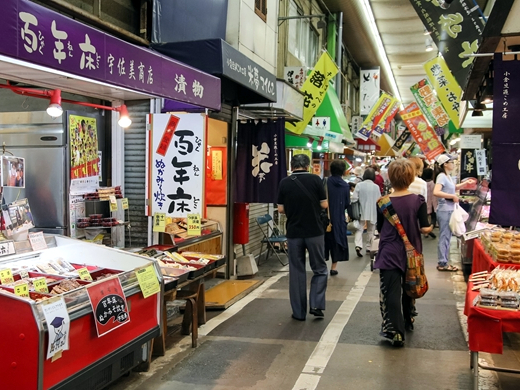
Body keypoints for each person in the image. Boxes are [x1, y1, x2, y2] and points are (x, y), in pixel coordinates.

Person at [374, 159, 432, 347]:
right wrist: (429, 227)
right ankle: (408, 319)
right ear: (410, 177)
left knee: (391, 291)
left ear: (390, 178)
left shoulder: (383, 203)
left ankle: (396, 332)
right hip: (411, 251)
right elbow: (424, 228)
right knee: (409, 287)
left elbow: (380, 228)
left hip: (389, 250)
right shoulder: (418, 200)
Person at [277, 154, 329, 320]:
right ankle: (316, 304)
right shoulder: (316, 180)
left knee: (297, 271)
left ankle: (299, 313)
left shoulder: (284, 182)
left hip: (294, 233)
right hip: (315, 232)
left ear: (292, 165)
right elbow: (324, 204)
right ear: (307, 165)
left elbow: (280, 209)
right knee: (319, 268)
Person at [433, 154, 476, 272]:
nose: (453, 163)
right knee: (445, 236)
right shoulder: (441, 176)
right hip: (445, 210)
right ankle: (442, 262)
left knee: (446, 236)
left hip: (448, 210)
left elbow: (453, 187)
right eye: (451, 162)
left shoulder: (447, 176)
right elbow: (436, 192)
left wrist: (465, 184)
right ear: (445, 164)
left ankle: (444, 261)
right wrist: (452, 196)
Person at [325, 159, 352, 276]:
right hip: (339, 218)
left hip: (325, 218)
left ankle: (321, 265)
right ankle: (333, 267)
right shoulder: (346, 186)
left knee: (324, 241)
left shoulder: (325, 182)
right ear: (343, 171)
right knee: (336, 242)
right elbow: (347, 203)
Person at [352, 168, 381, 257]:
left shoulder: (359, 185)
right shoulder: (376, 187)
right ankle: (369, 247)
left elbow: (354, 199)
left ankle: (358, 245)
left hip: (361, 210)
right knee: (370, 230)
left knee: (359, 228)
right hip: (373, 211)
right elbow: (379, 199)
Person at [422, 168, 437, 238]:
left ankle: (426, 233)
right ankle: (431, 228)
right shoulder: (433, 183)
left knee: (425, 218)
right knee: (434, 217)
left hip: (424, 203)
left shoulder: (423, 183)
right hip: (433, 203)